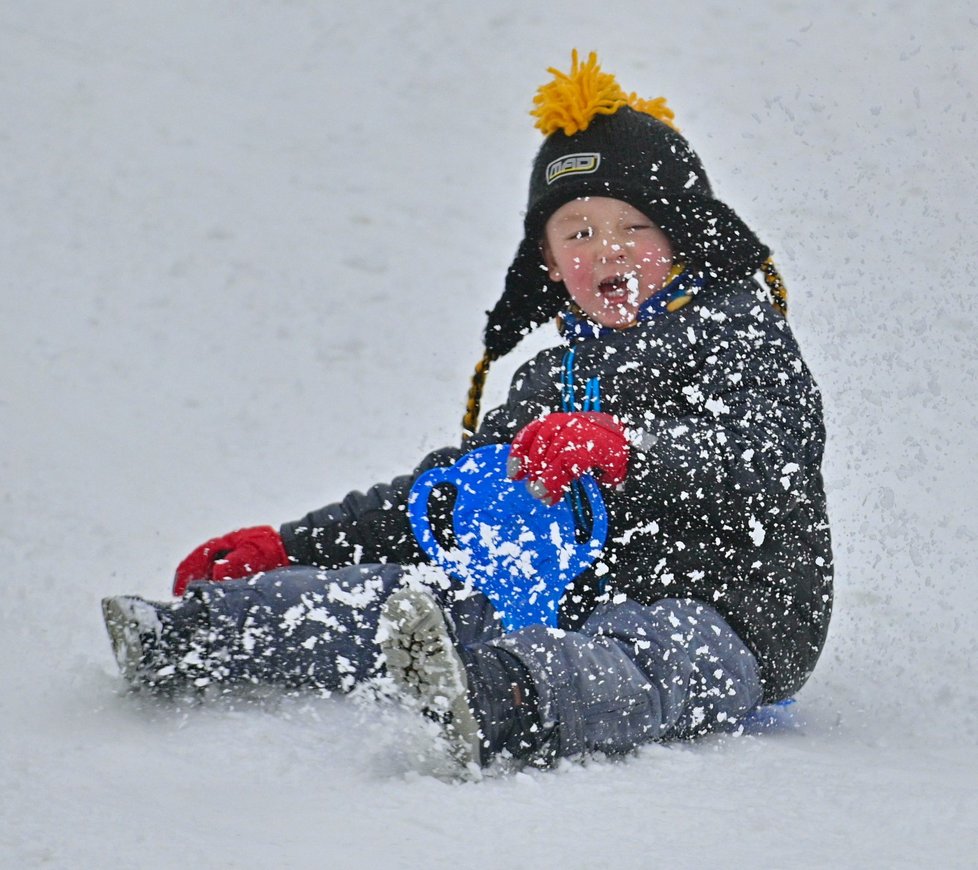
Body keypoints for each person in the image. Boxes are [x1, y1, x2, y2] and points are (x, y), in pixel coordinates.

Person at [102, 51, 832, 773]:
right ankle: (204, 634)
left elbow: (770, 457)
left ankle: (502, 697)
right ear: (547, 264)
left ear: (680, 237)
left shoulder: (736, 336)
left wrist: (630, 449)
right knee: (417, 597)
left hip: (731, 616)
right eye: (578, 233)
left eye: (633, 227)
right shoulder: (554, 377)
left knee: (644, 658)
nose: (607, 249)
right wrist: (291, 546)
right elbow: (449, 496)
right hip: (565, 592)